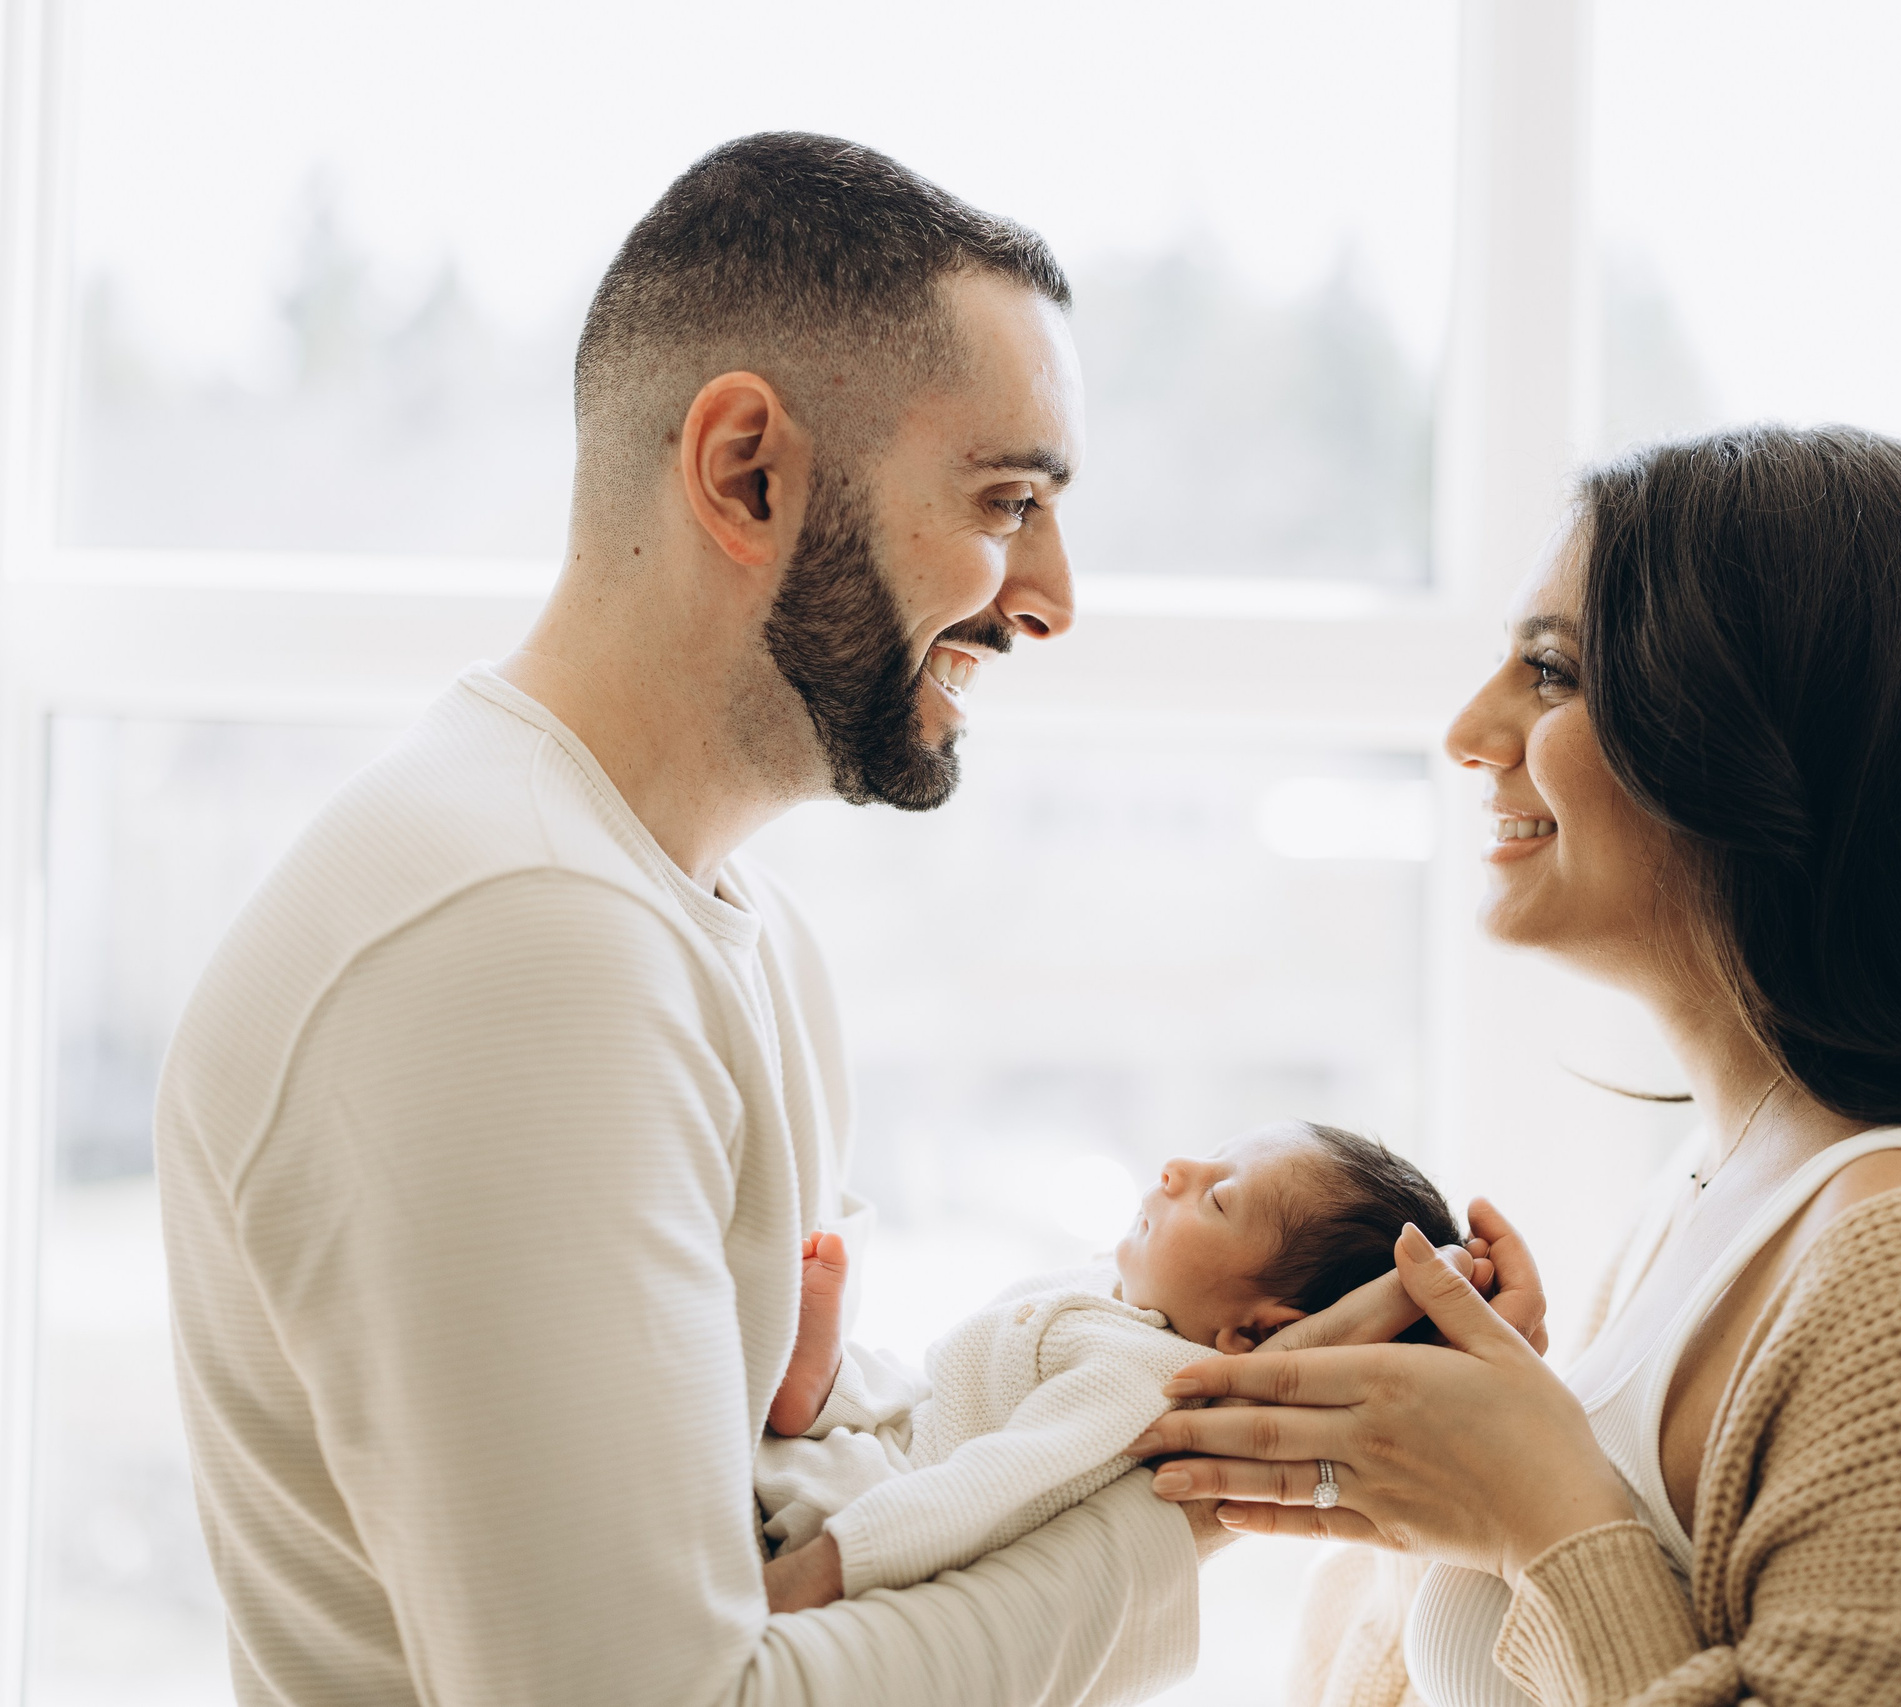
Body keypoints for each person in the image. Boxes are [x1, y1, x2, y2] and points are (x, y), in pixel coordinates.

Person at [156, 130, 1533, 1707]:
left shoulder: (717, 924)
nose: (1053, 596)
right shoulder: (516, 945)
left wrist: (1268, 1384)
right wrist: (1204, 1485)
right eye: (1008, 499)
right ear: (748, 471)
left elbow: (803, 1461)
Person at [1132, 426, 1901, 1706]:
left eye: (1548, 673)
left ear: (1765, 738)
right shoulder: (1709, 1199)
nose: (1468, 732)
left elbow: (1580, 1566)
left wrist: (1543, 1518)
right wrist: (1439, 1472)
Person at [753, 1123, 1464, 1603]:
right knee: (887, 1380)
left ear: (1250, 1334)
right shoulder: (1132, 1296)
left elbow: (986, 1489)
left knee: (814, 1468)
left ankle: (820, 1403)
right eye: (1211, 1156)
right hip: (908, 1416)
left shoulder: (1141, 1380)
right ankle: (822, 1387)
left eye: (1218, 1197)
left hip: (893, 1493)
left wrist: (823, 1571)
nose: (1176, 1168)